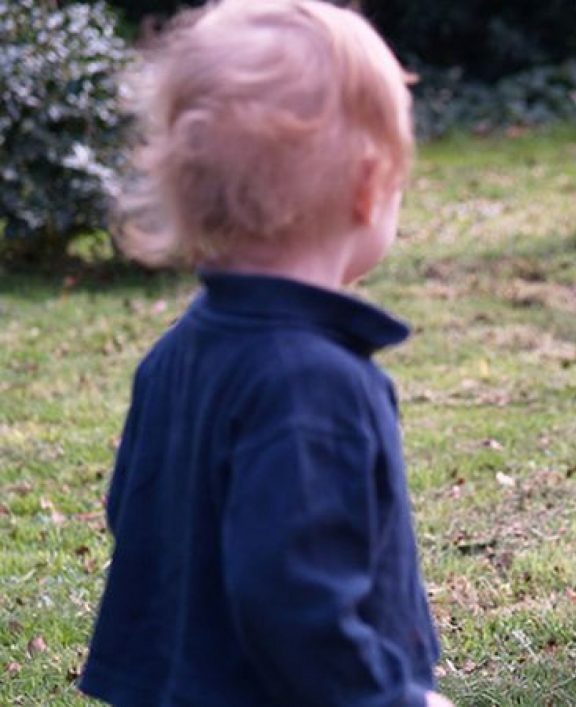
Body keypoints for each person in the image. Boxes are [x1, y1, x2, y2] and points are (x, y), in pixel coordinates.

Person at [79, 1, 452, 705]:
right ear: (369, 188)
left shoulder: (175, 353)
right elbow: (297, 601)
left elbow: (133, 512)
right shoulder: (316, 385)